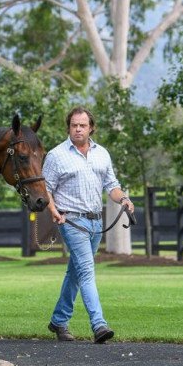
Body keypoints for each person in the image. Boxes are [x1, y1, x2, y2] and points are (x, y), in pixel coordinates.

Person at [42, 107, 134, 344]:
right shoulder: (56, 155)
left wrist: (123, 198)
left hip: (96, 221)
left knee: (75, 272)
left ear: (91, 127)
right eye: (74, 125)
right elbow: (45, 190)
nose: (78, 129)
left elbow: (111, 185)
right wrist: (53, 211)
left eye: (83, 125)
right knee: (86, 271)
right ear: (68, 127)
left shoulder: (102, 153)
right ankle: (99, 324)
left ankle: (59, 320)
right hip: (71, 221)